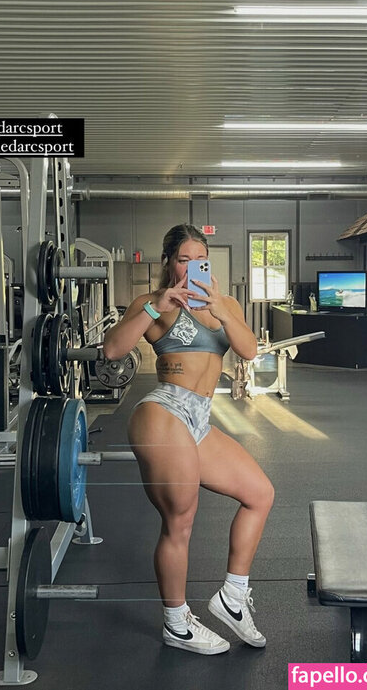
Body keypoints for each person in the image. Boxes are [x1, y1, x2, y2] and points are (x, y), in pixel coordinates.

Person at [103, 224, 274, 655]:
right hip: (163, 411)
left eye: (201, 259)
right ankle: (177, 623)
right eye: (184, 259)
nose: (194, 266)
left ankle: (233, 597)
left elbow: (249, 350)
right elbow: (112, 350)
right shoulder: (152, 303)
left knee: (260, 494)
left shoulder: (225, 303)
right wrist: (155, 307)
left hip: (199, 419)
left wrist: (222, 311)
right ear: (169, 263)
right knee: (180, 520)